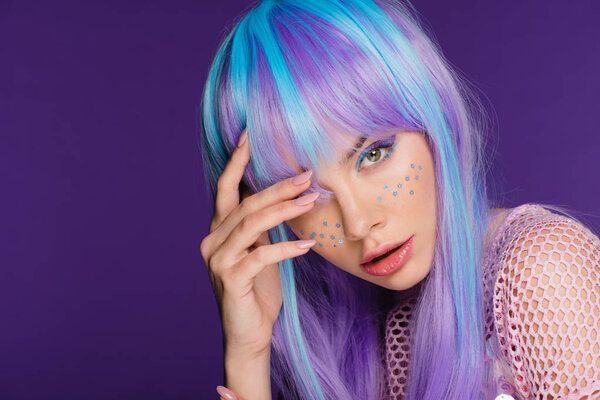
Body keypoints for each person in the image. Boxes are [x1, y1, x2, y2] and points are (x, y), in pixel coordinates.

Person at [197, 0, 600, 399]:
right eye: (306, 194)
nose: (357, 224)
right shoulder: (345, 338)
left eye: (374, 153)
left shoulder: (541, 272)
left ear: (433, 120)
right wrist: (248, 352)